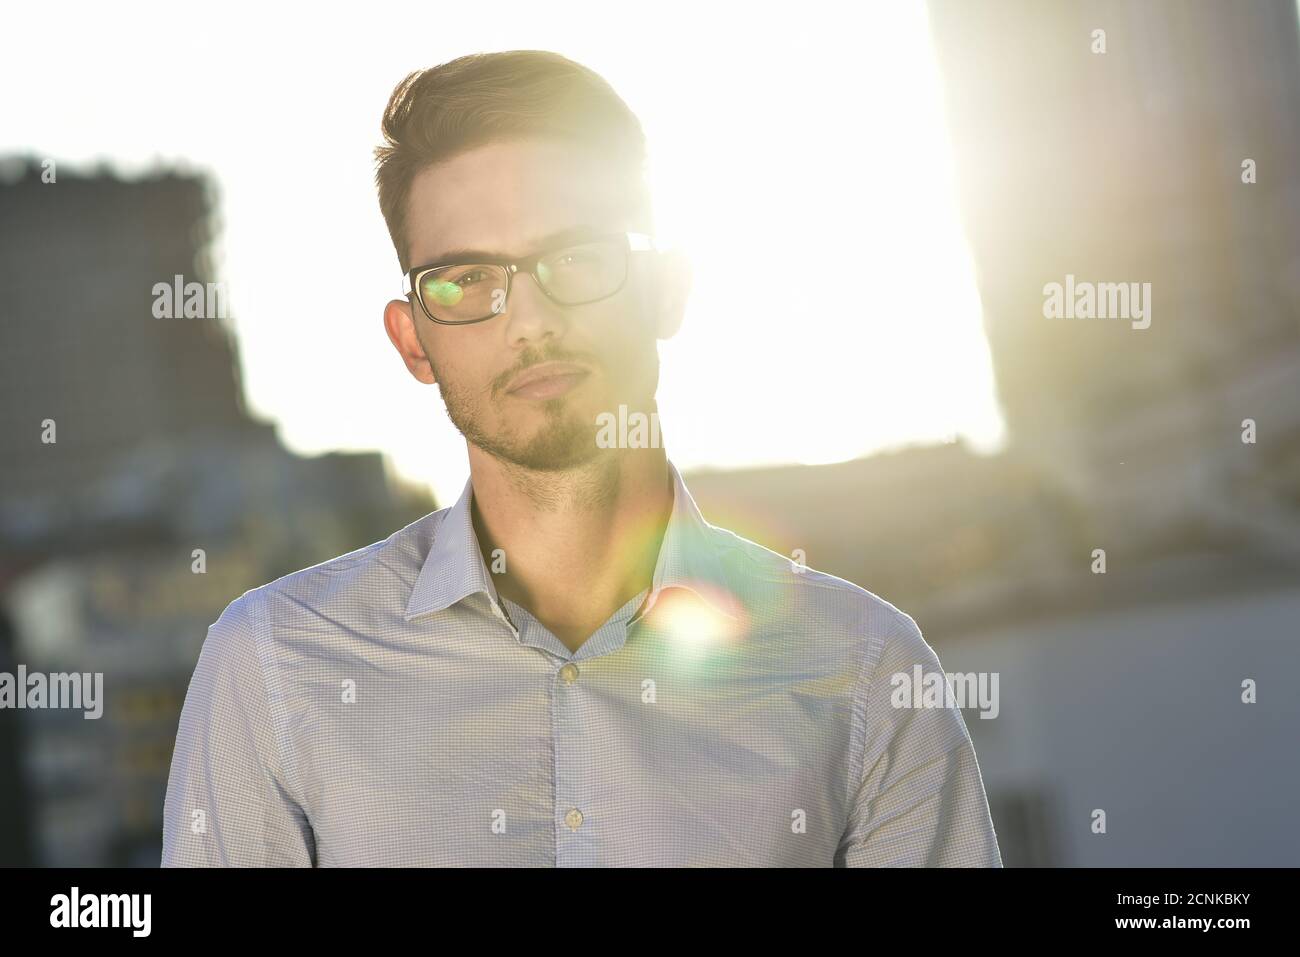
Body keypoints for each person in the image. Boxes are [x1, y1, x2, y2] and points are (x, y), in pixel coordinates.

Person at [162, 49, 1001, 867]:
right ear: (413, 340)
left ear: (666, 287)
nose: (529, 319)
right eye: (465, 280)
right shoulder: (275, 663)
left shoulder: (865, 668)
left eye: (578, 258)